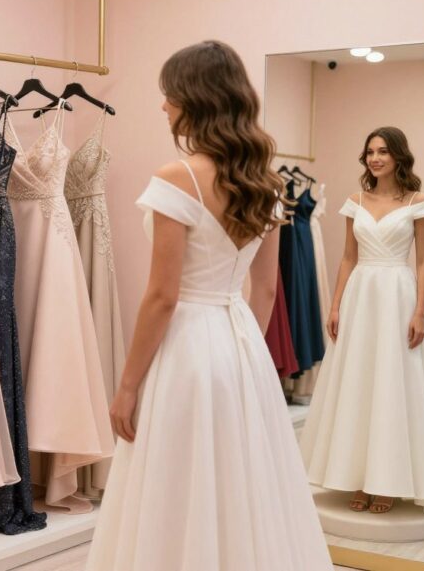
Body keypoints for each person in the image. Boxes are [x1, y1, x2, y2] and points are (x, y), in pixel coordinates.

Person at [86, 41, 332, 570]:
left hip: (188, 347)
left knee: (178, 475)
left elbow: (162, 295)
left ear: (195, 98)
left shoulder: (178, 178)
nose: (163, 105)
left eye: (169, 93)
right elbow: (265, 292)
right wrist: (245, 356)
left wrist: (126, 386)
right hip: (239, 341)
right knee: (240, 478)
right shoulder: (263, 184)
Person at [299, 127, 424, 516]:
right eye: (370, 151)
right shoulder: (355, 200)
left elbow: (423, 261)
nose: (375, 158)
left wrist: (420, 311)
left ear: (399, 156)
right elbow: (348, 258)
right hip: (361, 295)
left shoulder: (418, 202)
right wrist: (335, 305)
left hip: (398, 296)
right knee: (359, 382)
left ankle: (388, 481)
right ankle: (357, 476)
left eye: (383, 151)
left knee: (393, 383)